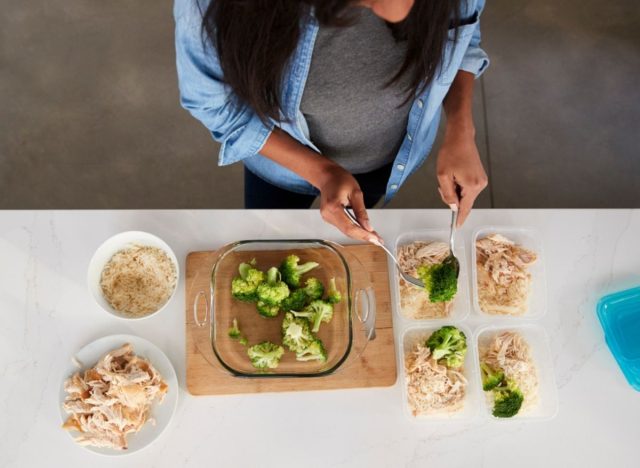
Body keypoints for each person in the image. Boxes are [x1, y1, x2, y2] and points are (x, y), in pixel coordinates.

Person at [174, 0, 489, 242]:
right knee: (269, 238)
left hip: (385, 158)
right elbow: (214, 104)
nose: (398, 13)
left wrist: (461, 129)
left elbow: (462, 35)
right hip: (278, 165)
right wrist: (322, 172)